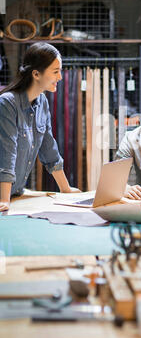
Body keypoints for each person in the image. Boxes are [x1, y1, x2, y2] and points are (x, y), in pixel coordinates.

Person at [0, 42, 80, 211]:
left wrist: (65, 190)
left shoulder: (42, 102)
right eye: (56, 71)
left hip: (16, 195)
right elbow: (7, 152)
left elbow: (49, 148)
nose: (60, 77)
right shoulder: (7, 103)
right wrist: (4, 201)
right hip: (4, 197)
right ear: (36, 74)